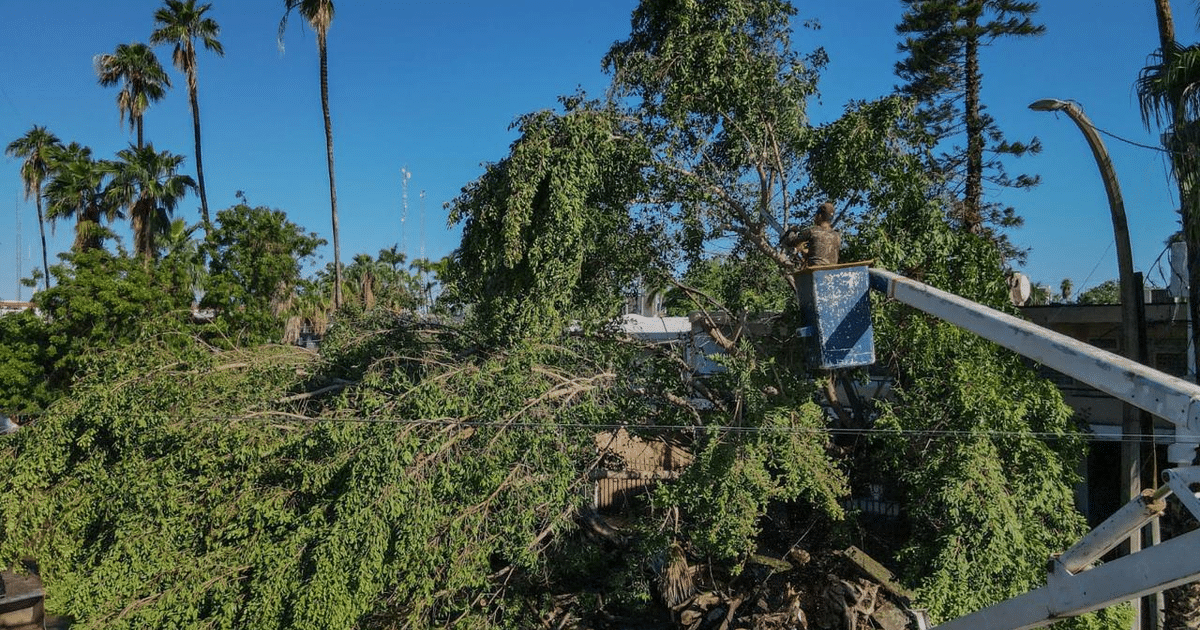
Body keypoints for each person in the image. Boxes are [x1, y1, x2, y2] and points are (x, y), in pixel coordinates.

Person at [781, 202, 840, 267]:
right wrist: (803, 251)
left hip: (815, 269)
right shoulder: (837, 236)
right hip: (832, 270)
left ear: (819, 216)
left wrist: (791, 231)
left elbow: (792, 242)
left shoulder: (812, 231)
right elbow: (822, 256)